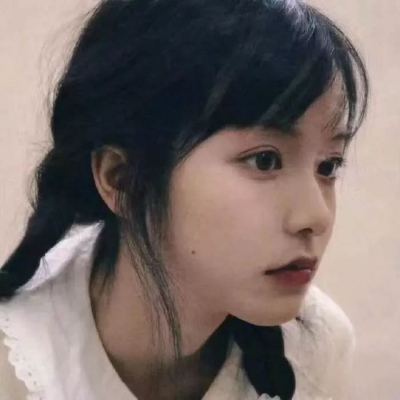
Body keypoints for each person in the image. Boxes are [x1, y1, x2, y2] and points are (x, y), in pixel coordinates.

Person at [0, 0, 369, 399]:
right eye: (265, 160)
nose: (316, 216)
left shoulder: (315, 347)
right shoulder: (17, 364)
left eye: (329, 166)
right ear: (121, 179)